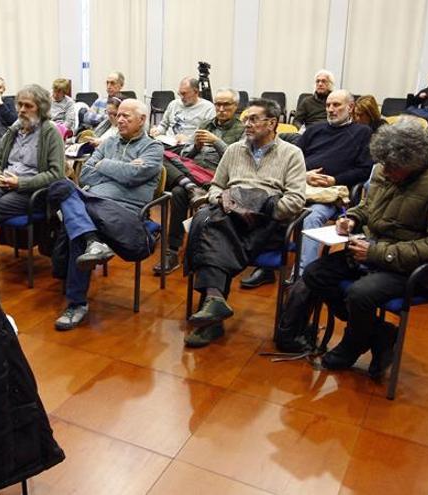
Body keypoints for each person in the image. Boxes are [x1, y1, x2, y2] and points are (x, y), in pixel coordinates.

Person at [275, 121, 428, 378]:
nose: (386, 173)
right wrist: (353, 219)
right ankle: (379, 334)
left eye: (393, 169)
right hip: (372, 252)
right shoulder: (386, 167)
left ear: (415, 163)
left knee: (361, 293)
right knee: (315, 273)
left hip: (416, 267)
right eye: (384, 166)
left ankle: (352, 345)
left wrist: (377, 253)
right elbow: (369, 206)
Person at [183, 98, 306, 348]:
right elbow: (216, 186)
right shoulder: (234, 150)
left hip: (267, 222)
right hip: (230, 213)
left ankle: (212, 315)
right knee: (212, 221)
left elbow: (295, 200)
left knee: (210, 229)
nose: (246, 125)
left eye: (253, 119)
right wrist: (225, 200)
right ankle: (213, 304)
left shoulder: (291, 154)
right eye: (245, 119)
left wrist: (260, 208)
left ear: (273, 123)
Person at [49, 99, 163, 331]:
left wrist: (103, 164)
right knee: (61, 185)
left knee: (75, 218)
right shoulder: (109, 141)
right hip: (93, 207)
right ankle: (93, 243)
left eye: (126, 116)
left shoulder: (153, 148)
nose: (119, 120)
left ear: (142, 120)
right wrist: (120, 169)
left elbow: (133, 176)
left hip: (124, 214)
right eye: (118, 115)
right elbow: (87, 176)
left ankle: (77, 303)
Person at [244, 90, 373, 288]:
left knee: (311, 217)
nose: (331, 109)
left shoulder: (362, 133)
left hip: (330, 194)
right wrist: (303, 175)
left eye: (337, 105)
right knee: (270, 204)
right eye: (328, 105)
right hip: (299, 183)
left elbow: (364, 170)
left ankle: (303, 277)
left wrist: (334, 179)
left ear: (350, 107)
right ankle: (265, 268)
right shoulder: (315, 130)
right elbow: (290, 157)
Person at [0, 84, 65, 264]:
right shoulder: (13, 130)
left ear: (41, 108)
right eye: (20, 105)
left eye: (28, 106)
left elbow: (56, 174)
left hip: (33, 192)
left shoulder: (50, 132)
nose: (22, 110)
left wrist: (20, 183)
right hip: (5, 184)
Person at [153, 88, 245, 275]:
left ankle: (174, 250)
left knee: (179, 192)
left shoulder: (242, 129)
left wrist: (217, 142)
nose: (220, 108)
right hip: (192, 171)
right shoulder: (206, 124)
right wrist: (195, 146)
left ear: (235, 106)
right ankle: (173, 249)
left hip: (216, 176)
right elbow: (186, 154)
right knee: (158, 152)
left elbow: (238, 161)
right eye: (218, 104)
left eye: (226, 104)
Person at [149, 77, 216, 146]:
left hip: (189, 146)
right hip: (168, 143)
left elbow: (207, 135)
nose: (181, 97)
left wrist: (188, 140)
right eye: (179, 94)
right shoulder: (173, 104)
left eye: (184, 94)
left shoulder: (208, 108)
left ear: (196, 92)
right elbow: (164, 125)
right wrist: (157, 130)